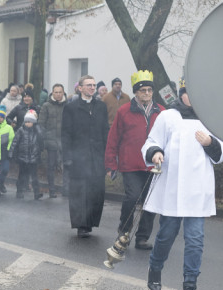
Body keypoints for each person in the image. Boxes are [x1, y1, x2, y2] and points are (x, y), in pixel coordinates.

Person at [142, 88, 223, 290]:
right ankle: (155, 269)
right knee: (166, 235)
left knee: (195, 240)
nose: (194, 97)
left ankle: (190, 288)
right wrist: (155, 152)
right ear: (181, 95)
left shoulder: (211, 118)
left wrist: (211, 143)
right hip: (173, 187)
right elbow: (151, 140)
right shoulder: (168, 116)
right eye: (189, 93)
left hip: (197, 190)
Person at [104, 70, 165, 250]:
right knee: (132, 197)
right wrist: (110, 163)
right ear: (136, 92)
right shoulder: (124, 111)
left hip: (153, 165)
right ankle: (124, 231)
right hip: (130, 164)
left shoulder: (162, 111)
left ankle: (142, 237)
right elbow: (113, 138)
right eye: (142, 90)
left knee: (150, 202)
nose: (146, 93)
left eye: (149, 90)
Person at [62, 74, 108, 238]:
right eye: (88, 85)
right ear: (80, 88)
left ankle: (90, 222)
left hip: (97, 157)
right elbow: (66, 134)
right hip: (78, 157)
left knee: (96, 192)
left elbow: (105, 132)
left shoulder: (100, 107)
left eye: (94, 85)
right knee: (79, 193)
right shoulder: (71, 108)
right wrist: (67, 157)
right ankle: (81, 224)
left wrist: (108, 157)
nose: (92, 88)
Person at [38, 83, 67, 197]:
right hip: (51, 141)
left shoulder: (67, 105)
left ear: (63, 93)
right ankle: (52, 190)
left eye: (60, 92)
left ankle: (66, 189)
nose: (58, 94)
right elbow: (41, 124)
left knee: (66, 166)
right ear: (52, 93)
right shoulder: (46, 106)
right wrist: (44, 140)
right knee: (51, 166)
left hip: (64, 141)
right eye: (56, 92)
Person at [12, 109, 43, 199]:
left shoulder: (37, 131)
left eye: (30, 122)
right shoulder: (21, 130)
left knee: (34, 177)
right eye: (26, 122)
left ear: (34, 122)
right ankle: (19, 191)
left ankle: (36, 193)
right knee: (21, 176)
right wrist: (12, 153)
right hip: (23, 157)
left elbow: (41, 142)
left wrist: (38, 130)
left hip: (33, 158)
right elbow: (15, 142)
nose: (28, 123)